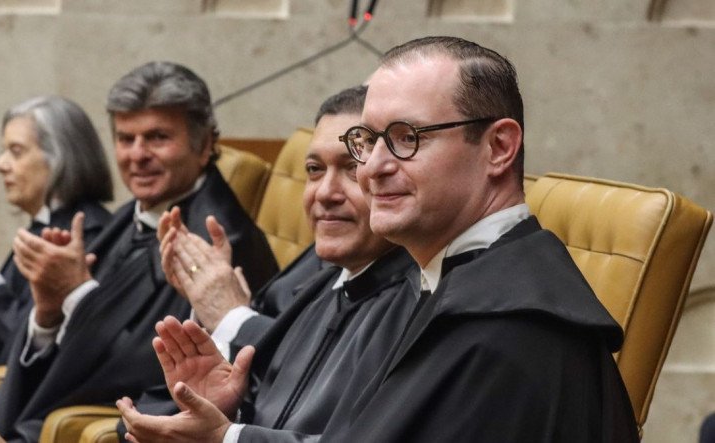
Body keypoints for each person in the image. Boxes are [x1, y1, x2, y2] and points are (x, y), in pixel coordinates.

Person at [124, 36, 640, 442]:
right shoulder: (452, 282)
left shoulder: (506, 325)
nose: (373, 167)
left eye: (406, 138)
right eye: (367, 141)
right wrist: (228, 421)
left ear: (499, 147)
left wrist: (227, 440)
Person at [0, 61, 278, 443]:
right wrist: (49, 309)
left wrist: (76, 296)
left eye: (156, 137)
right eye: (125, 139)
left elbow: (154, 368)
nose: (137, 155)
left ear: (204, 145)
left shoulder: (215, 239)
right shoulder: (133, 213)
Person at [116, 85, 418, 442]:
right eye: (314, 169)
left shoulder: (416, 300)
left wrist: (226, 434)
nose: (324, 193)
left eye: (352, 168)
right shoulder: (334, 275)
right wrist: (223, 409)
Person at [0, 96, 113, 379]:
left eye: (16, 151)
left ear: (59, 158)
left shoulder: (84, 235)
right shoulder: (38, 229)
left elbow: (31, 346)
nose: (0, 164)